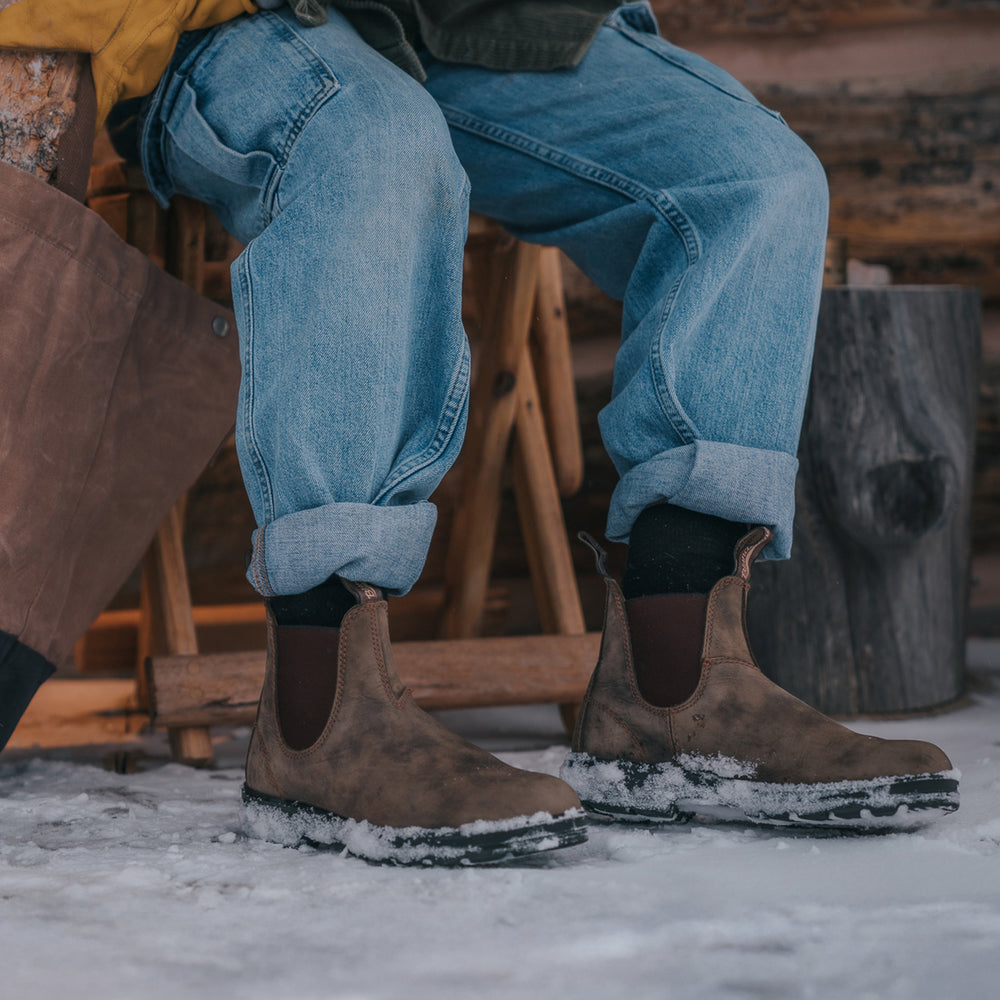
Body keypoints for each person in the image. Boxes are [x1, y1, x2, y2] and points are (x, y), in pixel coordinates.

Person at [0, 0, 959, 865]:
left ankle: (676, 693)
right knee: (373, 148)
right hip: (222, 24)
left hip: (463, 18)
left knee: (755, 176)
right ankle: (319, 721)